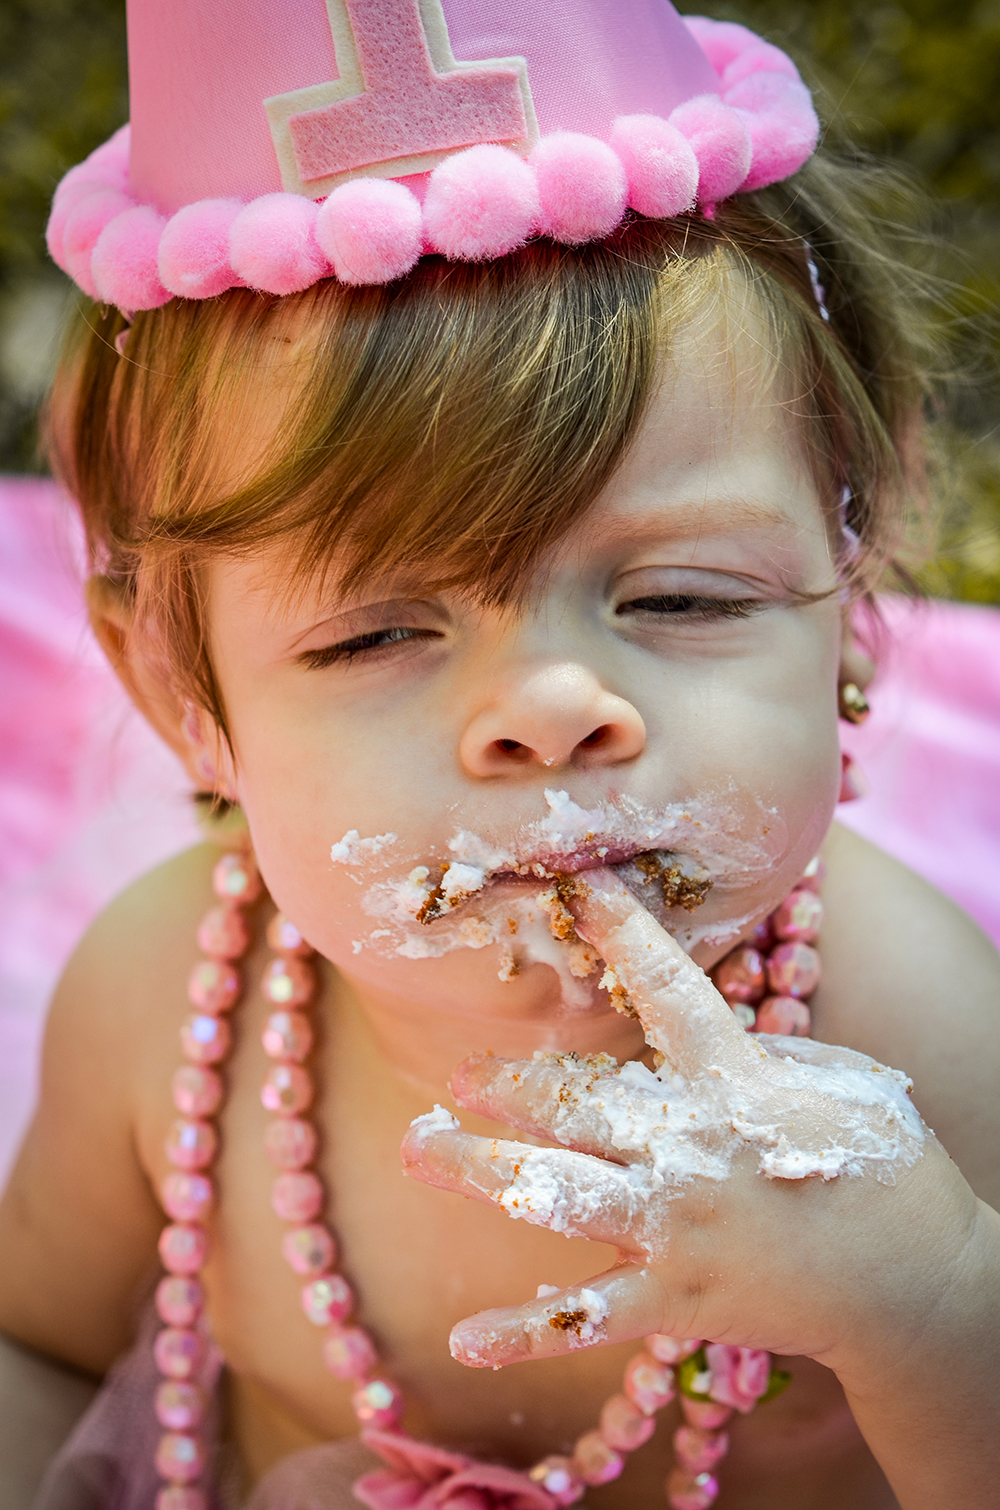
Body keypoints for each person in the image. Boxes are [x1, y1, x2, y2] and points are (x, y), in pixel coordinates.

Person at [0, 3, 997, 1507]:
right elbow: (39, 1343)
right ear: (179, 688)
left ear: (851, 607)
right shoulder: (161, 1015)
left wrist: (933, 1302)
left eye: (679, 596)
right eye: (372, 636)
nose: (548, 707)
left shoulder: (916, 1039)